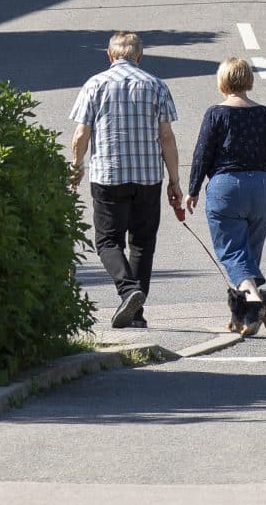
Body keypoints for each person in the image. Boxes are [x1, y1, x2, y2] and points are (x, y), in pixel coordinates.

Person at [67, 29, 184, 330]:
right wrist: (174, 181)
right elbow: (167, 137)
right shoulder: (156, 86)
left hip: (108, 175)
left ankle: (129, 291)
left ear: (109, 55)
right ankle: (136, 312)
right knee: (143, 243)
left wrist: (76, 165)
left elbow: (81, 134)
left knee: (107, 240)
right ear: (140, 57)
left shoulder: (95, 85)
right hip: (147, 177)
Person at [188, 53, 266, 335]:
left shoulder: (216, 114)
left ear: (222, 83)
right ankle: (244, 316)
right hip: (263, 189)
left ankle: (255, 304)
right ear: (248, 81)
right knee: (248, 257)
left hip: (227, 188)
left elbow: (202, 154)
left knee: (233, 253)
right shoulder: (263, 114)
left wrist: (193, 189)